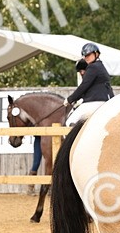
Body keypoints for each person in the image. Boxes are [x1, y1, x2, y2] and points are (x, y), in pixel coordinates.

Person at [28, 59, 88, 193]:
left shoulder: (90, 75)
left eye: (82, 71)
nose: (81, 73)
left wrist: (71, 100)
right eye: (80, 71)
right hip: (83, 101)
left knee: (70, 122)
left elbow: (83, 91)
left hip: (87, 102)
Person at [65, 43, 114, 127]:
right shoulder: (100, 66)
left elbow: (84, 86)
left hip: (94, 101)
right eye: (85, 56)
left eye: (88, 55)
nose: (86, 58)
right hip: (104, 100)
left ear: (96, 54)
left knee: (70, 121)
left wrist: (70, 99)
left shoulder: (93, 67)